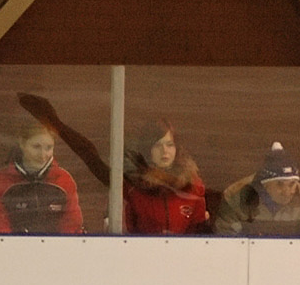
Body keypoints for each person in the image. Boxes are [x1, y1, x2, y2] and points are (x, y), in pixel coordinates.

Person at [16, 93, 208, 234]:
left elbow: (200, 235)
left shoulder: (192, 186)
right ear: (148, 149)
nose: (165, 151)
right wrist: (57, 125)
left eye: (169, 145)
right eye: (158, 145)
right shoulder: (133, 185)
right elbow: (91, 157)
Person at [0, 121, 84, 234]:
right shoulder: (0, 180)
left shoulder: (63, 179)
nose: (42, 155)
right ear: (22, 144)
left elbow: (72, 225)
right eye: (36, 147)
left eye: (48, 148)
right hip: (12, 244)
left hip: (56, 245)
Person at [214, 142, 300, 236]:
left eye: (292, 184)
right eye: (280, 184)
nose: (287, 192)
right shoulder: (236, 198)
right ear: (265, 185)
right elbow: (225, 241)